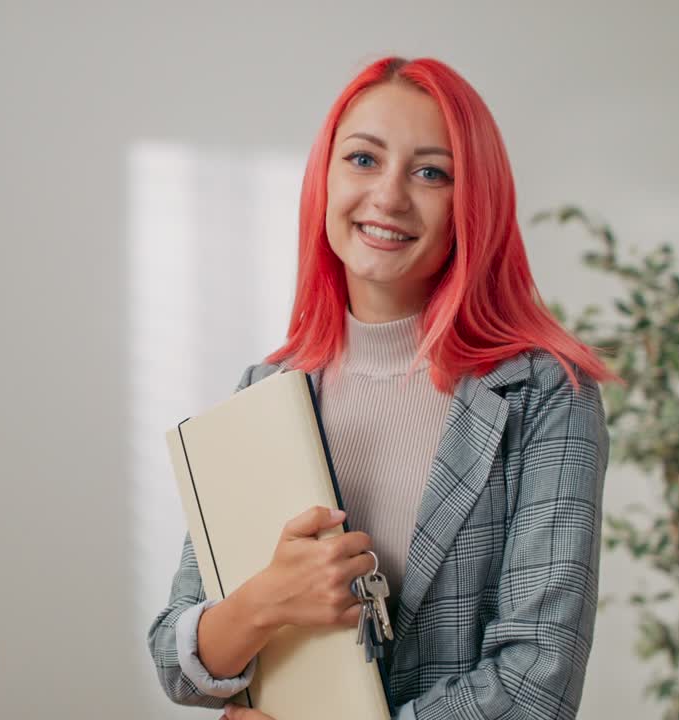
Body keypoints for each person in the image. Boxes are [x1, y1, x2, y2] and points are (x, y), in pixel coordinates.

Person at [146, 55, 616, 720]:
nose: (389, 195)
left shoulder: (544, 392)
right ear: (325, 178)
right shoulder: (266, 391)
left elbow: (537, 684)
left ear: (471, 202)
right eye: (363, 159)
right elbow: (177, 661)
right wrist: (267, 601)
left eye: (430, 172)